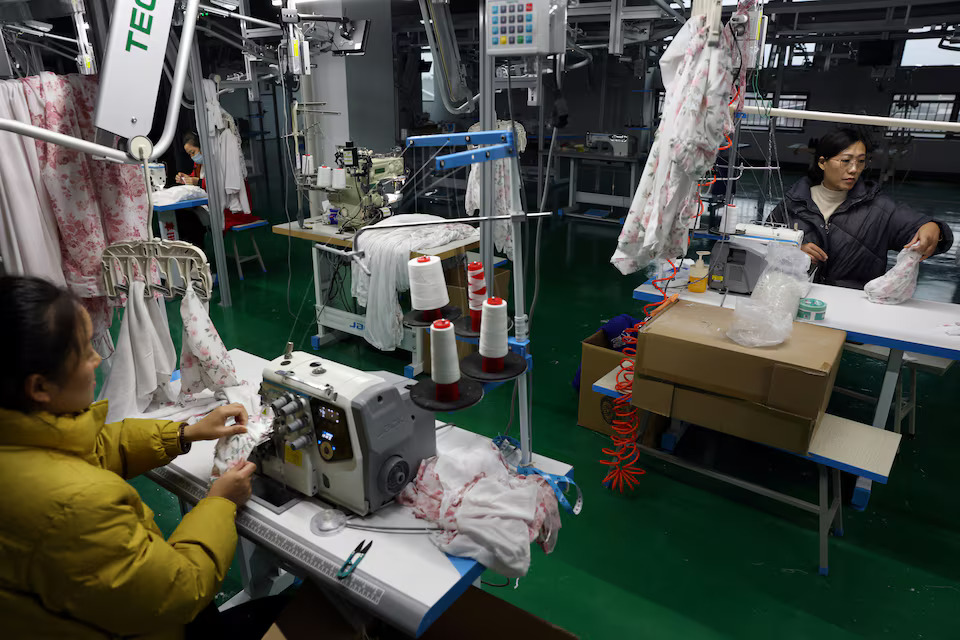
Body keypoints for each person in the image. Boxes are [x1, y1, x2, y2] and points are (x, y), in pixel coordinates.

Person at [0, 276, 267, 639]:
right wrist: (219, 502)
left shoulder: (22, 440)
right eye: (83, 351)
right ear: (39, 387)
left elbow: (93, 448)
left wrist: (185, 432)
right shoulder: (74, 507)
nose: (97, 359)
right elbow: (181, 590)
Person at [770, 127, 953, 289]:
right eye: (846, 160)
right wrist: (794, 251)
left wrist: (934, 228)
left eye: (861, 161)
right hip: (796, 298)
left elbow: (916, 229)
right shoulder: (794, 203)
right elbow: (761, 245)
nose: (854, 169)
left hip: (853, 306)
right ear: (822, 162)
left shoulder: (880, 208)